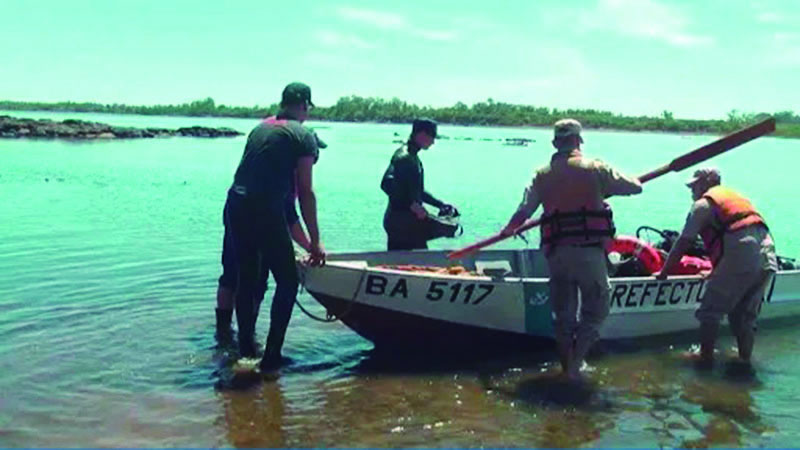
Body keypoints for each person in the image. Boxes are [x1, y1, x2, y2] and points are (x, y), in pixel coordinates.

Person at [501, 118, 643, 380]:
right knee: (596, 310)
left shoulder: (540, 175)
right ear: (579, 141)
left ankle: (567, 365)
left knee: (563, 317)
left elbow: (523, 210)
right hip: (589, 252)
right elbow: (636, 187)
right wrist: (602, 189)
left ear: (555, 142)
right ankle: (576, 365)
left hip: (557, 254)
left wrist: (508, 229)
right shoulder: (596, 168)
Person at [222, 81, 325, 371]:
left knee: (247, 277)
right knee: (288, 282)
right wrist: (315, 242)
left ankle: (245, 350)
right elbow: (305, 191)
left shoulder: (260, 128)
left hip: (236, 203)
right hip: (264, 206)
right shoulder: (303, 135)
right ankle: (271, 358)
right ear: (304, 105)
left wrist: (304, 241)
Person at [656, 168, 777, 371]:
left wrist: (664, 272)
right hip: (768, 255)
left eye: (694, 185)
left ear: (707, 183)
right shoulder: (738, 198)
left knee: (709, 313)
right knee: (743, 316)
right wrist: (716, 272)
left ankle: (705, 361)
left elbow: (684, 241)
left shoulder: (702, 205)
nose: (692, 190)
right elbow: (738, 235)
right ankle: (744, 361)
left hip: (743, 257)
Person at [215, 134, 326, 344]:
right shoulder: (288, 175)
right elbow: (289, 217)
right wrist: (312, 248)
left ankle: (224, 335)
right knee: (258, 280)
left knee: (232, 275)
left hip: (236, 209)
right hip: (260, 218)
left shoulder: (265, 163)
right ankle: (249, 340)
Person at [380, 118, 458, 250]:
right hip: (400, 224)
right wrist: (412, 205)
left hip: (409, 222)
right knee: (414, 260)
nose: (433, 142)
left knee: (446, 230)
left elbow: (417, 191)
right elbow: (386, 183)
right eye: (432, 137)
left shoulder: (413, 157)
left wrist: (440, 204)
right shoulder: (404, 157)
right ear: (421, 135)